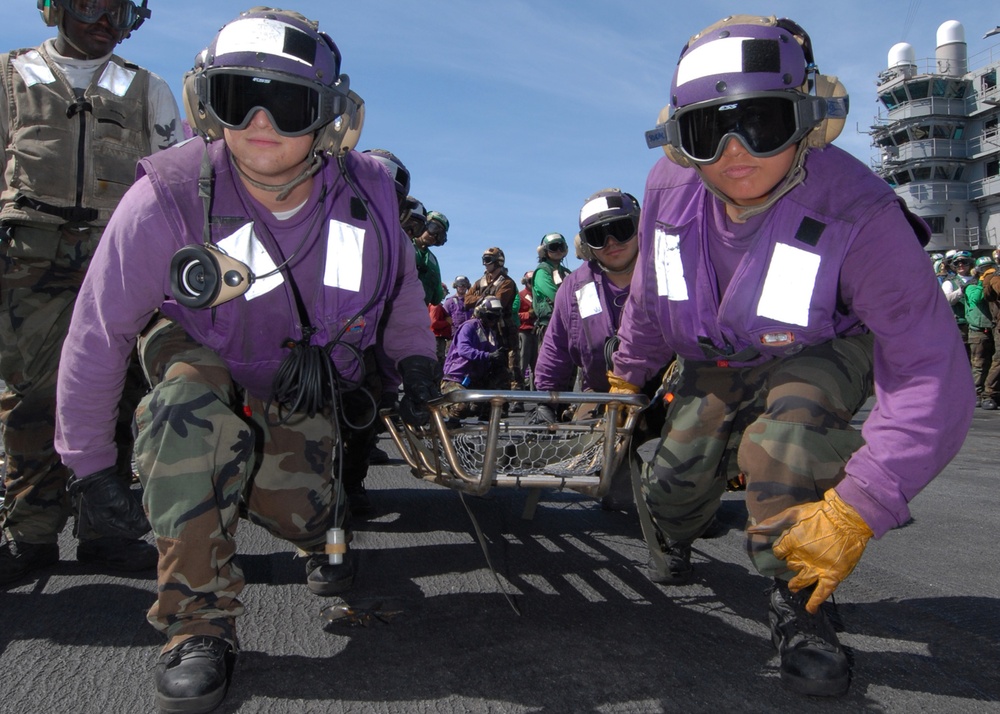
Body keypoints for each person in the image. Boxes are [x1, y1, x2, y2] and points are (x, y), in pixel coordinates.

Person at [52, 8, 439, 712]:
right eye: (239, 96)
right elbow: (97, 330)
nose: (261, 120)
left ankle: (312, 527)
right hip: (201, 347)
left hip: (305, 372)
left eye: (288, 102)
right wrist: (87, 465)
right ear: (207, 102)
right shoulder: (163, 197)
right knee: (184, 411)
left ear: (332, 116)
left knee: (302, 511)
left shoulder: (371, 194)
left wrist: (414, 362)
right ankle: (195, 625)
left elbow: (403, 290)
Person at [609, 15, 973, 698]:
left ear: (808, 117)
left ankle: (799, 604)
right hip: (715, 357)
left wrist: (859, 506)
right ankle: (678, 529)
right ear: (678, 142)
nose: (734, 151)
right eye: (706, 131)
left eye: (762, 122)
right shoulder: (664, 189)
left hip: (818, 345)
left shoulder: (862, 211)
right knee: (673, 489)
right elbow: (655, 296)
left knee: (784, 446)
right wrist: (627, 368)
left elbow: (930, 369)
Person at [0, 0, 182, 585]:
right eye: (87, 4)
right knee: (33, 396)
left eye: (119, 11)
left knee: (118, 389)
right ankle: (30, 535)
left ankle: (106, 530)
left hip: (118, 257)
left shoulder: (148, 90)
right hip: (28, 263)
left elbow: (172, 180)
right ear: (52, 8)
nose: (102, 20)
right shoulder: (10, 76)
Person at [440, 296, 508, 421]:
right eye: (490, 317)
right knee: (461, 408)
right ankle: (445, 410)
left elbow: (492, 353)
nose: (493, 321)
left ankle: (486, 413)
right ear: (480, 313)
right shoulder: (469, 326)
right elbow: (464, 350)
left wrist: (498, 358)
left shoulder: (489, 332)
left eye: (496, 318)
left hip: (475, 379)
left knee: (503, 373)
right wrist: (488, 356)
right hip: (457, 378)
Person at [464, 246, 518, 385]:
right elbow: (466, 300)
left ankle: (515, 399)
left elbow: (496, 302)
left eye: (488, 260)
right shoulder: (480, 281)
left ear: (498, 262)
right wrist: (484, 297)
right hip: (485, 329)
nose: (485, 264)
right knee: (487, 362)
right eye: (484, 260)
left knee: (510, 364)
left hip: (503, 329)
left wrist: (478, 297)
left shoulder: (507, 282)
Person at [965, 256, 996, 406]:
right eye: (984, 268)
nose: (987, 270)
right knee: (979, 364)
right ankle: (976, 392)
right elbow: (976, 299)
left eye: (990, 267)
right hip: (977, 331)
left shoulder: (991, 284)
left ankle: (986, 392)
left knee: (991, 363)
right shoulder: (971, 286)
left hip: (991, 329)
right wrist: (982, 281)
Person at [532, 232, 571, 343]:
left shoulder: (566, 272)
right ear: (544, 251)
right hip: (550, 325)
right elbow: (555, 296)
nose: (558, 250)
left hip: (566, 323)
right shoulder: (542, 271)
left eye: (561, 247)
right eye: (553, 247)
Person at [412, 210, 447, 306]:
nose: (434, 236)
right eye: (433, 228)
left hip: (416, 314)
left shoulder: (433, 261)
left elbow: (437, 298)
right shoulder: (404, 242)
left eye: (439, 235)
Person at [517, 270, 537, 389]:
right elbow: (514, 314)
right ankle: (518, 396)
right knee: (522, 363)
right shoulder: (520, 296)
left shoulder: (539, 295)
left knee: (537, 365)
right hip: (524, 332)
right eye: (530, 281)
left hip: (537, 332)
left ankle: (536, 394)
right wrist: (528, 315)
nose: (532, 284)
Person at [429, 283, 452, 364]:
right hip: (437, 339)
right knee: (438, 361)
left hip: (437, 339)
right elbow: (433, 323)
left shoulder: (435, 305)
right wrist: (447, 322)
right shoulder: (436, 306)